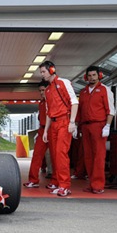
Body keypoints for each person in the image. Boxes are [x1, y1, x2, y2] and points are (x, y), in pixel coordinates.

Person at [41, 61, 78, 197]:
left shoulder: (63, 82)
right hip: (54, 124)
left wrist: (72, 122)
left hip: (64, 121)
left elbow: (74, 102)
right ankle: (58, 183)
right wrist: (46, 131)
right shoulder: (48, 90)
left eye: (44, 71)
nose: (42, 74)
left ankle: (65, 186)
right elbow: (49, 112)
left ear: (51, 70)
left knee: (61, 153)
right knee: (55, 155)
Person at [77, 66, 115, 194]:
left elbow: (111, 110)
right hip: (85, 126)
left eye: (94, 75)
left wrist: (107, 126)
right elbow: (80, 111)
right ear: (86, 77)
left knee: (99, 156)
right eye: (89, 76)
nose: (92, 78)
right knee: (88, 156)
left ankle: (98, 185)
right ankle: (92, 183)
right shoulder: (83, 92)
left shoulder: (105, 90)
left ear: (99, 75)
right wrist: (77, 127)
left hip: (99, 125)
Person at [23, 79, 53, 188]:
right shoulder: (41, 103)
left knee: (56, 156)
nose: (41, 92)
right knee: (36, 155)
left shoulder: (53, 101)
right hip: (42, 130)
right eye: (40, 90)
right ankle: (33, 180)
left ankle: (56, 181)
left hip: (53, 129)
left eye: (43, 90)